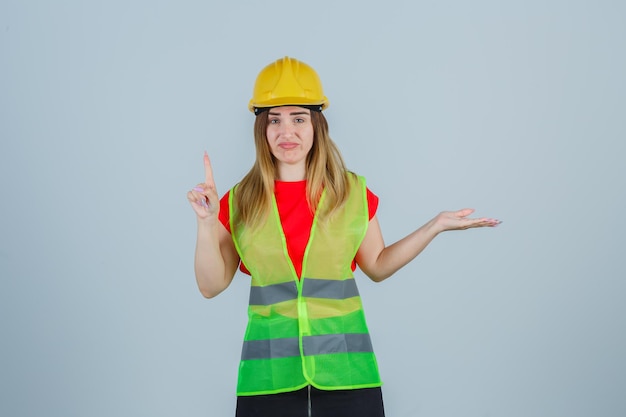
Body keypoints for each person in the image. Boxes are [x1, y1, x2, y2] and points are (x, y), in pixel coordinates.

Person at [187, 56, 501, 417]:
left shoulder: (350, 192)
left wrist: (434, 226)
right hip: (268, 378)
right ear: (261, 128)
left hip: (347, 376)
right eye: (274, 119)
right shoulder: (239, 200)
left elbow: (378, 266)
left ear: (317, 125)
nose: (286, 132)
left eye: (298, 118)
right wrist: (208, 223)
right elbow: (210, 286)